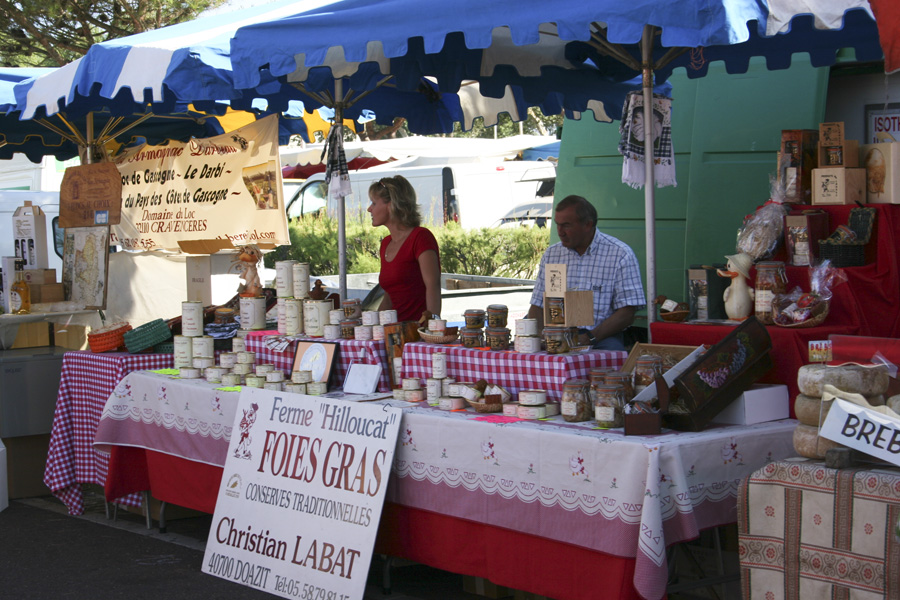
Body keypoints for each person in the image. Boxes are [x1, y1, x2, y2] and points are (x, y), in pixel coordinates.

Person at [527, 195, 645, 351]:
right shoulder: (552, 254)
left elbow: (627, 312)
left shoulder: (620, 254)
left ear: (588, 225)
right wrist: (540, 335)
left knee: (611, 358)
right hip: (556, 333)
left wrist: (589, 337)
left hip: (599, 336)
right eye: (557, 225)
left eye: (567, 226)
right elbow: (537, 305)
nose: (560, 232)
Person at [368, 175, 441, 322]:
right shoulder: (386, 243)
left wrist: (432, 327)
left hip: (416, 333)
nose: (369, 209)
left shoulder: (420, 237)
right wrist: (372, 325)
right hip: (394, 332)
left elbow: (433, 286)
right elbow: (389, 297)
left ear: (391, 205)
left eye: (374, 203)